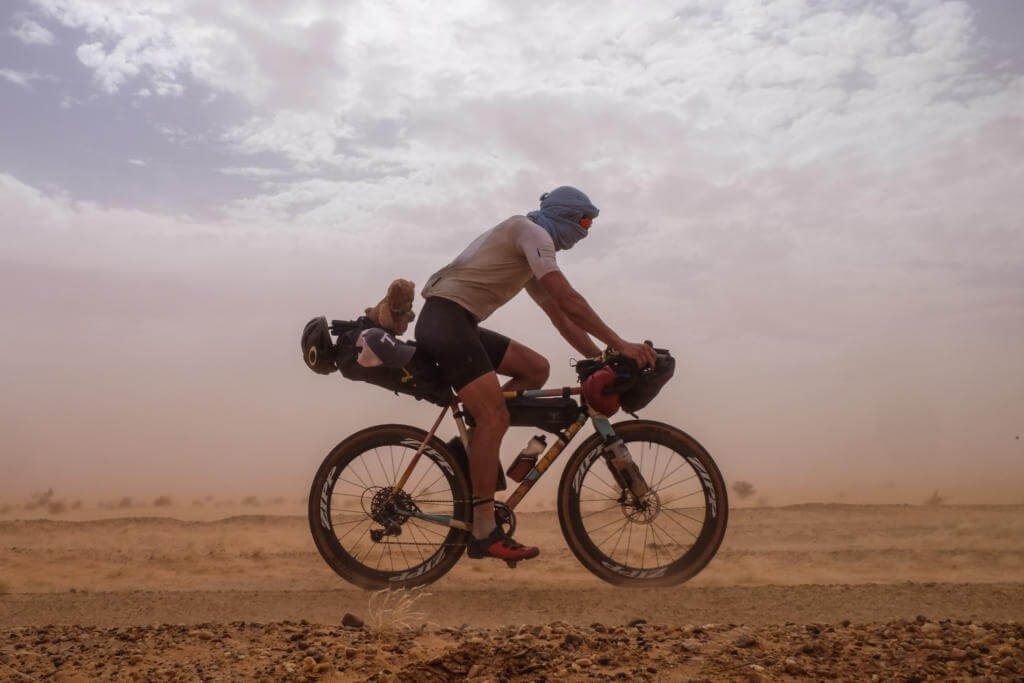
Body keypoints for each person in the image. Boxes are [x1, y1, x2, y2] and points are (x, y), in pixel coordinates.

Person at [414, 186, 657, 563]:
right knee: (494, 416)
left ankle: (474, 448)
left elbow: (561, 318)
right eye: (584, 221)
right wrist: (620, 344)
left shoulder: (529, 252)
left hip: (458, 322)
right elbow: (568, 299)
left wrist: (601, 357)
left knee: (535, 369)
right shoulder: (531, 232)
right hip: (445, 322)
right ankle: (482, 529)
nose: (586, 232)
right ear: (565, 214)